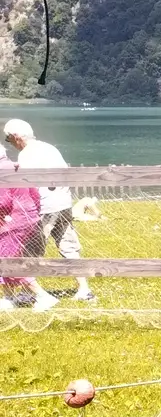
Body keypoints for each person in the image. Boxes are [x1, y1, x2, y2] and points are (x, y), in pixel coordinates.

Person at [5, 120, 90, 301]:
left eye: (9, 139)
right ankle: (84, 289)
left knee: (30, 250)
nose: (10, 143)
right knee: (68, 246)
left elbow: (28, 185)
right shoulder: (49, 148)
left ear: (16, 137)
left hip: (45, 206)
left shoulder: (27, 155)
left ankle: (30, 294)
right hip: (64, 202)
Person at [0, 173, 56, 311]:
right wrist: (32, 212)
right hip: (27, 217)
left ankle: (42, 295)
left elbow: (3, 202)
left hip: (11, 221)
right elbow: (35, 193)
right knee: (6, 256)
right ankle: (8, 297)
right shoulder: (16, 168)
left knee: (7, 260)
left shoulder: (2, 171)